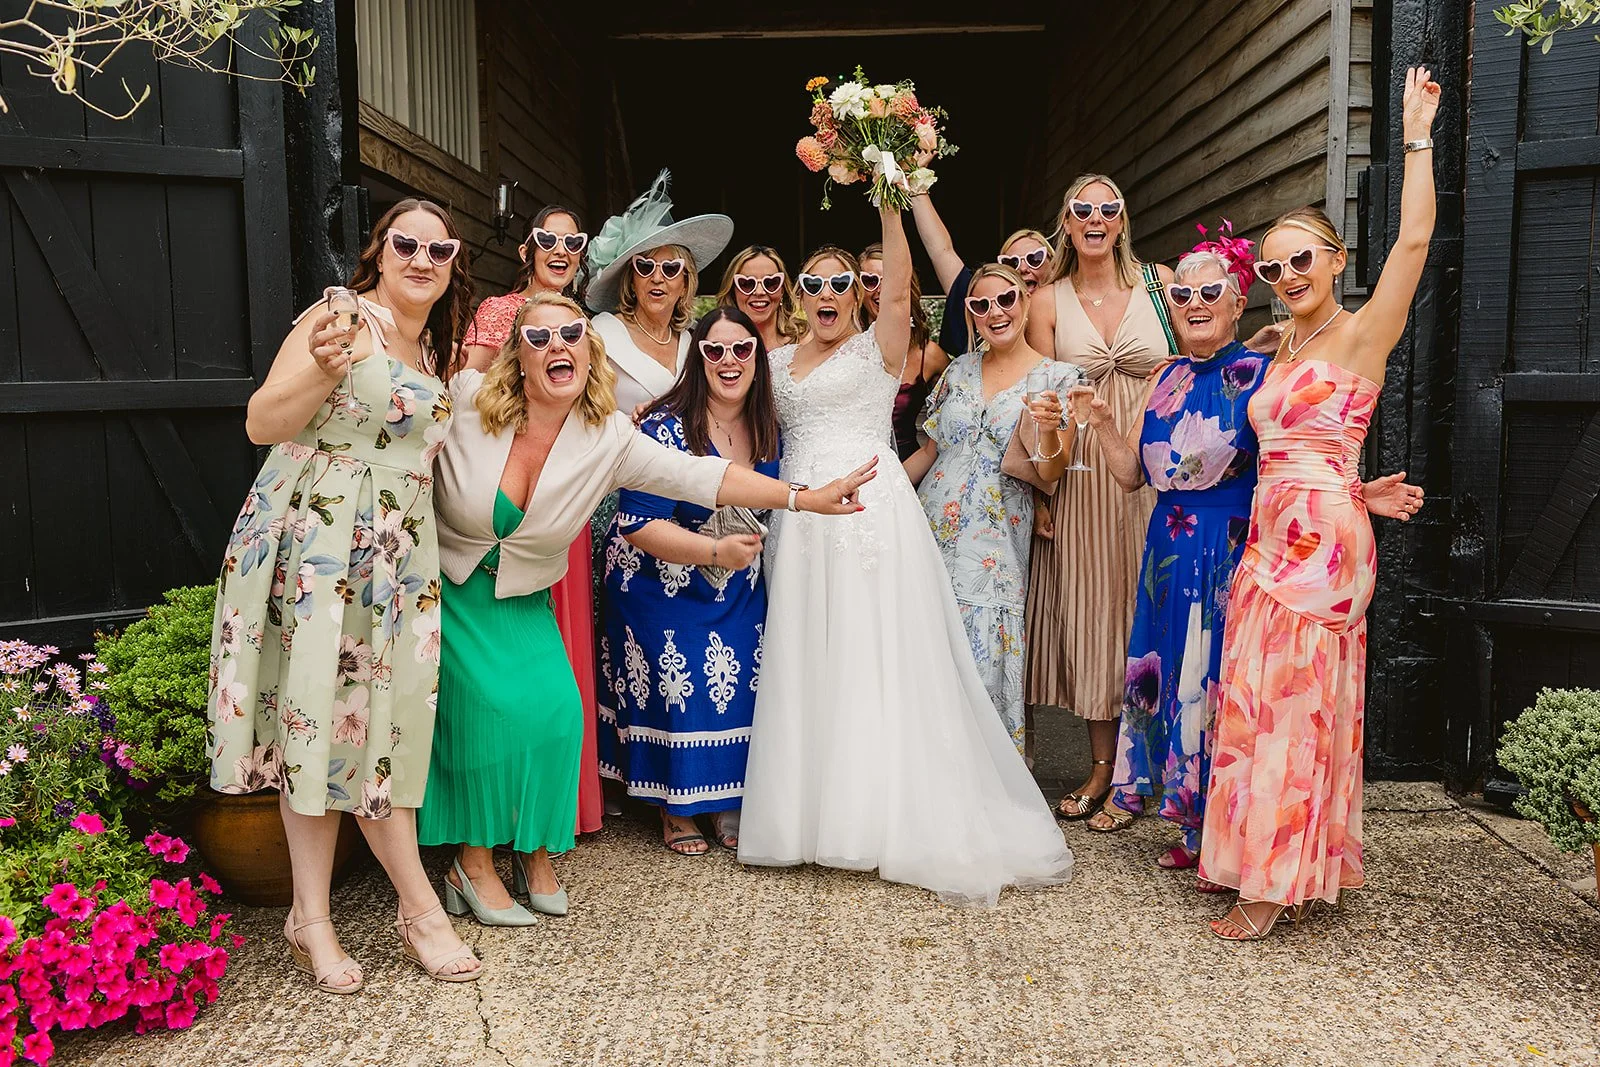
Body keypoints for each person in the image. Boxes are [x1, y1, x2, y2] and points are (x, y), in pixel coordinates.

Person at [419, 292, 874, 925]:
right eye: (540, 338)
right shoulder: (468, 402)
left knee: (557, 715)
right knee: (492, 715)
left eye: (571, 334)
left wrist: (803, 497)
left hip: (521, 595)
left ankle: (535, 850)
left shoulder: (606, 437)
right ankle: (472, 863)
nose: (558, 347)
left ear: (590, 350)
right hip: (454, 585)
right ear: (516, 357)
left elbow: (706, 478)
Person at [736, 203, 1076, 907]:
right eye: (813, 283)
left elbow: (898, 285)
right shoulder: (772, 362)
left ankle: (875, 815)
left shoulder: (880, 349)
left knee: (871, 654)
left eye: (839, 284)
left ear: (857, 296)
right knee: (809, 653)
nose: (827, 294)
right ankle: (808, 815)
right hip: (800, 519)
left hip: (869, 513)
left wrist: (890, 195)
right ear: (798, 295)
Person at [209, 199, 480, 990]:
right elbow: (263, 421)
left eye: (439, 247)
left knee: (381, 728)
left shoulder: (436, 348)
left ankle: (390, 911)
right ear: (380, 249)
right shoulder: (340, 317)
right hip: (315, 551)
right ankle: (330, 918)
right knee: (316, 724)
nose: (421, 258)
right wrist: (323, 369)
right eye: (406, 242)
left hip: (396, 560)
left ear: (454, 260)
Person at [1079, 250, 1422, 869]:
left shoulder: (1264, 372)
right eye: (1183, 298)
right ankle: (1182, 814)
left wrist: (1359, 492)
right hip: (1167, 548)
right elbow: (1131, 474)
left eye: (1212, 295)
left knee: (1215, 684)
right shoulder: (1164, 378)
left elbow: (1303, 451)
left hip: (1234, 546)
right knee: (1169, 672)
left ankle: (1216, 832)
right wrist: (1102, 422)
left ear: (1240, 304)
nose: (1197, 308)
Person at [1198, 68, 1441, 940]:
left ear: (1338, 260)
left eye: (1304, 257)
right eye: (1273, 265)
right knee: (1257, 697)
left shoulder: (1363, 329)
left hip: (1322, 549)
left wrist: (1415, 135)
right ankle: (1253, 854)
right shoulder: (1286, 342)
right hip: (1275, 529)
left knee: (1296, 701)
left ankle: (1272, 881)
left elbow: (1413, 243)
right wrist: (1355, 483)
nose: (1288, 272)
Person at [1020, 174, 1178, 825]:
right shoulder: (1047, 298)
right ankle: (1104, 768)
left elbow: (1195, 358)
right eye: (1081, 207)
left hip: (1157, 467)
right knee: (1093, 616)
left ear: (1121, 218)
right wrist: (1042, 487)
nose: (1095, 217)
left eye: (1107, 207)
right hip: (1083, 473)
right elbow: (1032, 400)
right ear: (1065, 218)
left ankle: (1162, 766)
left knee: (1158, 605)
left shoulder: (1162, 283)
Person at [598, 307, 780, 854]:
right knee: (684, 662)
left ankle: (726, 794)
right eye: (714, 350)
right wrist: (712, 550)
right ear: (697, 360)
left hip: (735, 575)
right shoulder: (665, 427)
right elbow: (637, 525)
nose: (729, 361)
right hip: (659, 574)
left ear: (757, 358)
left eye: (741, 349)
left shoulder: (773, 425)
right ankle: (673, 803)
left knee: (754, 650)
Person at [460, 204, 603, 838]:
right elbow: (463, 393)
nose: (560, 249)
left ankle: (561, 809)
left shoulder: (589, 325)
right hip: (503, 500)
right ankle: (505, 812)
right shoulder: (498, 312)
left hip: (564, 502)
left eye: (574, 242)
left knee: (562, 654)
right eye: (549, 239)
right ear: (528, 248)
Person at [904, 264, 1081, 753]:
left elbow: (1051, 473)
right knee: (927, 648)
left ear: (1024, 301)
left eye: (1004, 299)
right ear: (969, 314)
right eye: (980, 305)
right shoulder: (957, 370)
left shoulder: (1058, 378)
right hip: (932, 526)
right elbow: (930, 450)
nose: (994, 312)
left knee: (984, 655)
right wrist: (882, 493)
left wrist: (1048, 428)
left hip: (997, 538)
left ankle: (986, 778)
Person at [909, 187, 1055, 358]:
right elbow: (941, 251)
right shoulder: (981, 307)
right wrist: (916, 184)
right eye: (1011, 262)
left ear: (1053, 264)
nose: (1023, 268)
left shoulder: (1072, 311)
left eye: (1034, 259)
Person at [859, 240, 948, 461]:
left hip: (908, 469)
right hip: (850, 470)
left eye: (890, 280)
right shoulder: (844, 348)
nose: (882, 290)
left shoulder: (930, 355)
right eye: (870, 281)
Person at [715, 244, 806, 354]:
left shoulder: (806, 339)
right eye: (747, 284)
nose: (759, 292)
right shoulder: (715, 345)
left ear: (782, 290)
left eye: (770, 283)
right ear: (733, 291)